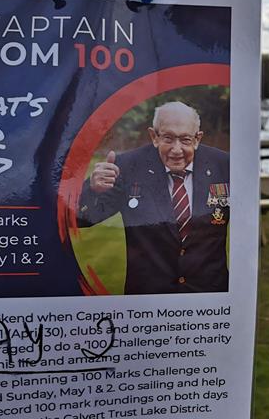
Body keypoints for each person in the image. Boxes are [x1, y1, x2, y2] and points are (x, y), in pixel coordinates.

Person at [77, 101, 229, 294]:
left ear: (197, 139)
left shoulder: (224, 166)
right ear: (154, 136)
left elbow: (248, 223)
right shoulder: (127, 167)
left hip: (211, 299)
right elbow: (80, 219)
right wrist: (91, 190)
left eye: (185, 139)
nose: (176, 149)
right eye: (168, 138)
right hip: (148, 303)